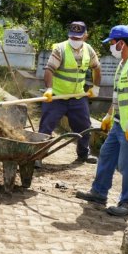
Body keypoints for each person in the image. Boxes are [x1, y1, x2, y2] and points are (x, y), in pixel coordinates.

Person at [75, 24, 128, 217]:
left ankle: (127, 203)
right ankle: (99, 193)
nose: (110, 47)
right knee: (106, 154)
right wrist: (108, 115)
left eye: (112, 43)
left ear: (121, 43)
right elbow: (119, 96)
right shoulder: (124, 62)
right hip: (119, 122)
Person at [39, 21, 102, 165]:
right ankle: (38, 156)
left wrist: (96, 87)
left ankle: (83, 154)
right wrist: (49, 89)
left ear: (85, 36)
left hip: (78, 97)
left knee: (85, 127)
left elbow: (96, 68)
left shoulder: (89, 50)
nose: (74, 40)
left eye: (78, 38)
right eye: (72, 37)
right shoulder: (60, 49)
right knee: (46, 127)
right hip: (57, 97)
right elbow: (49, 70)